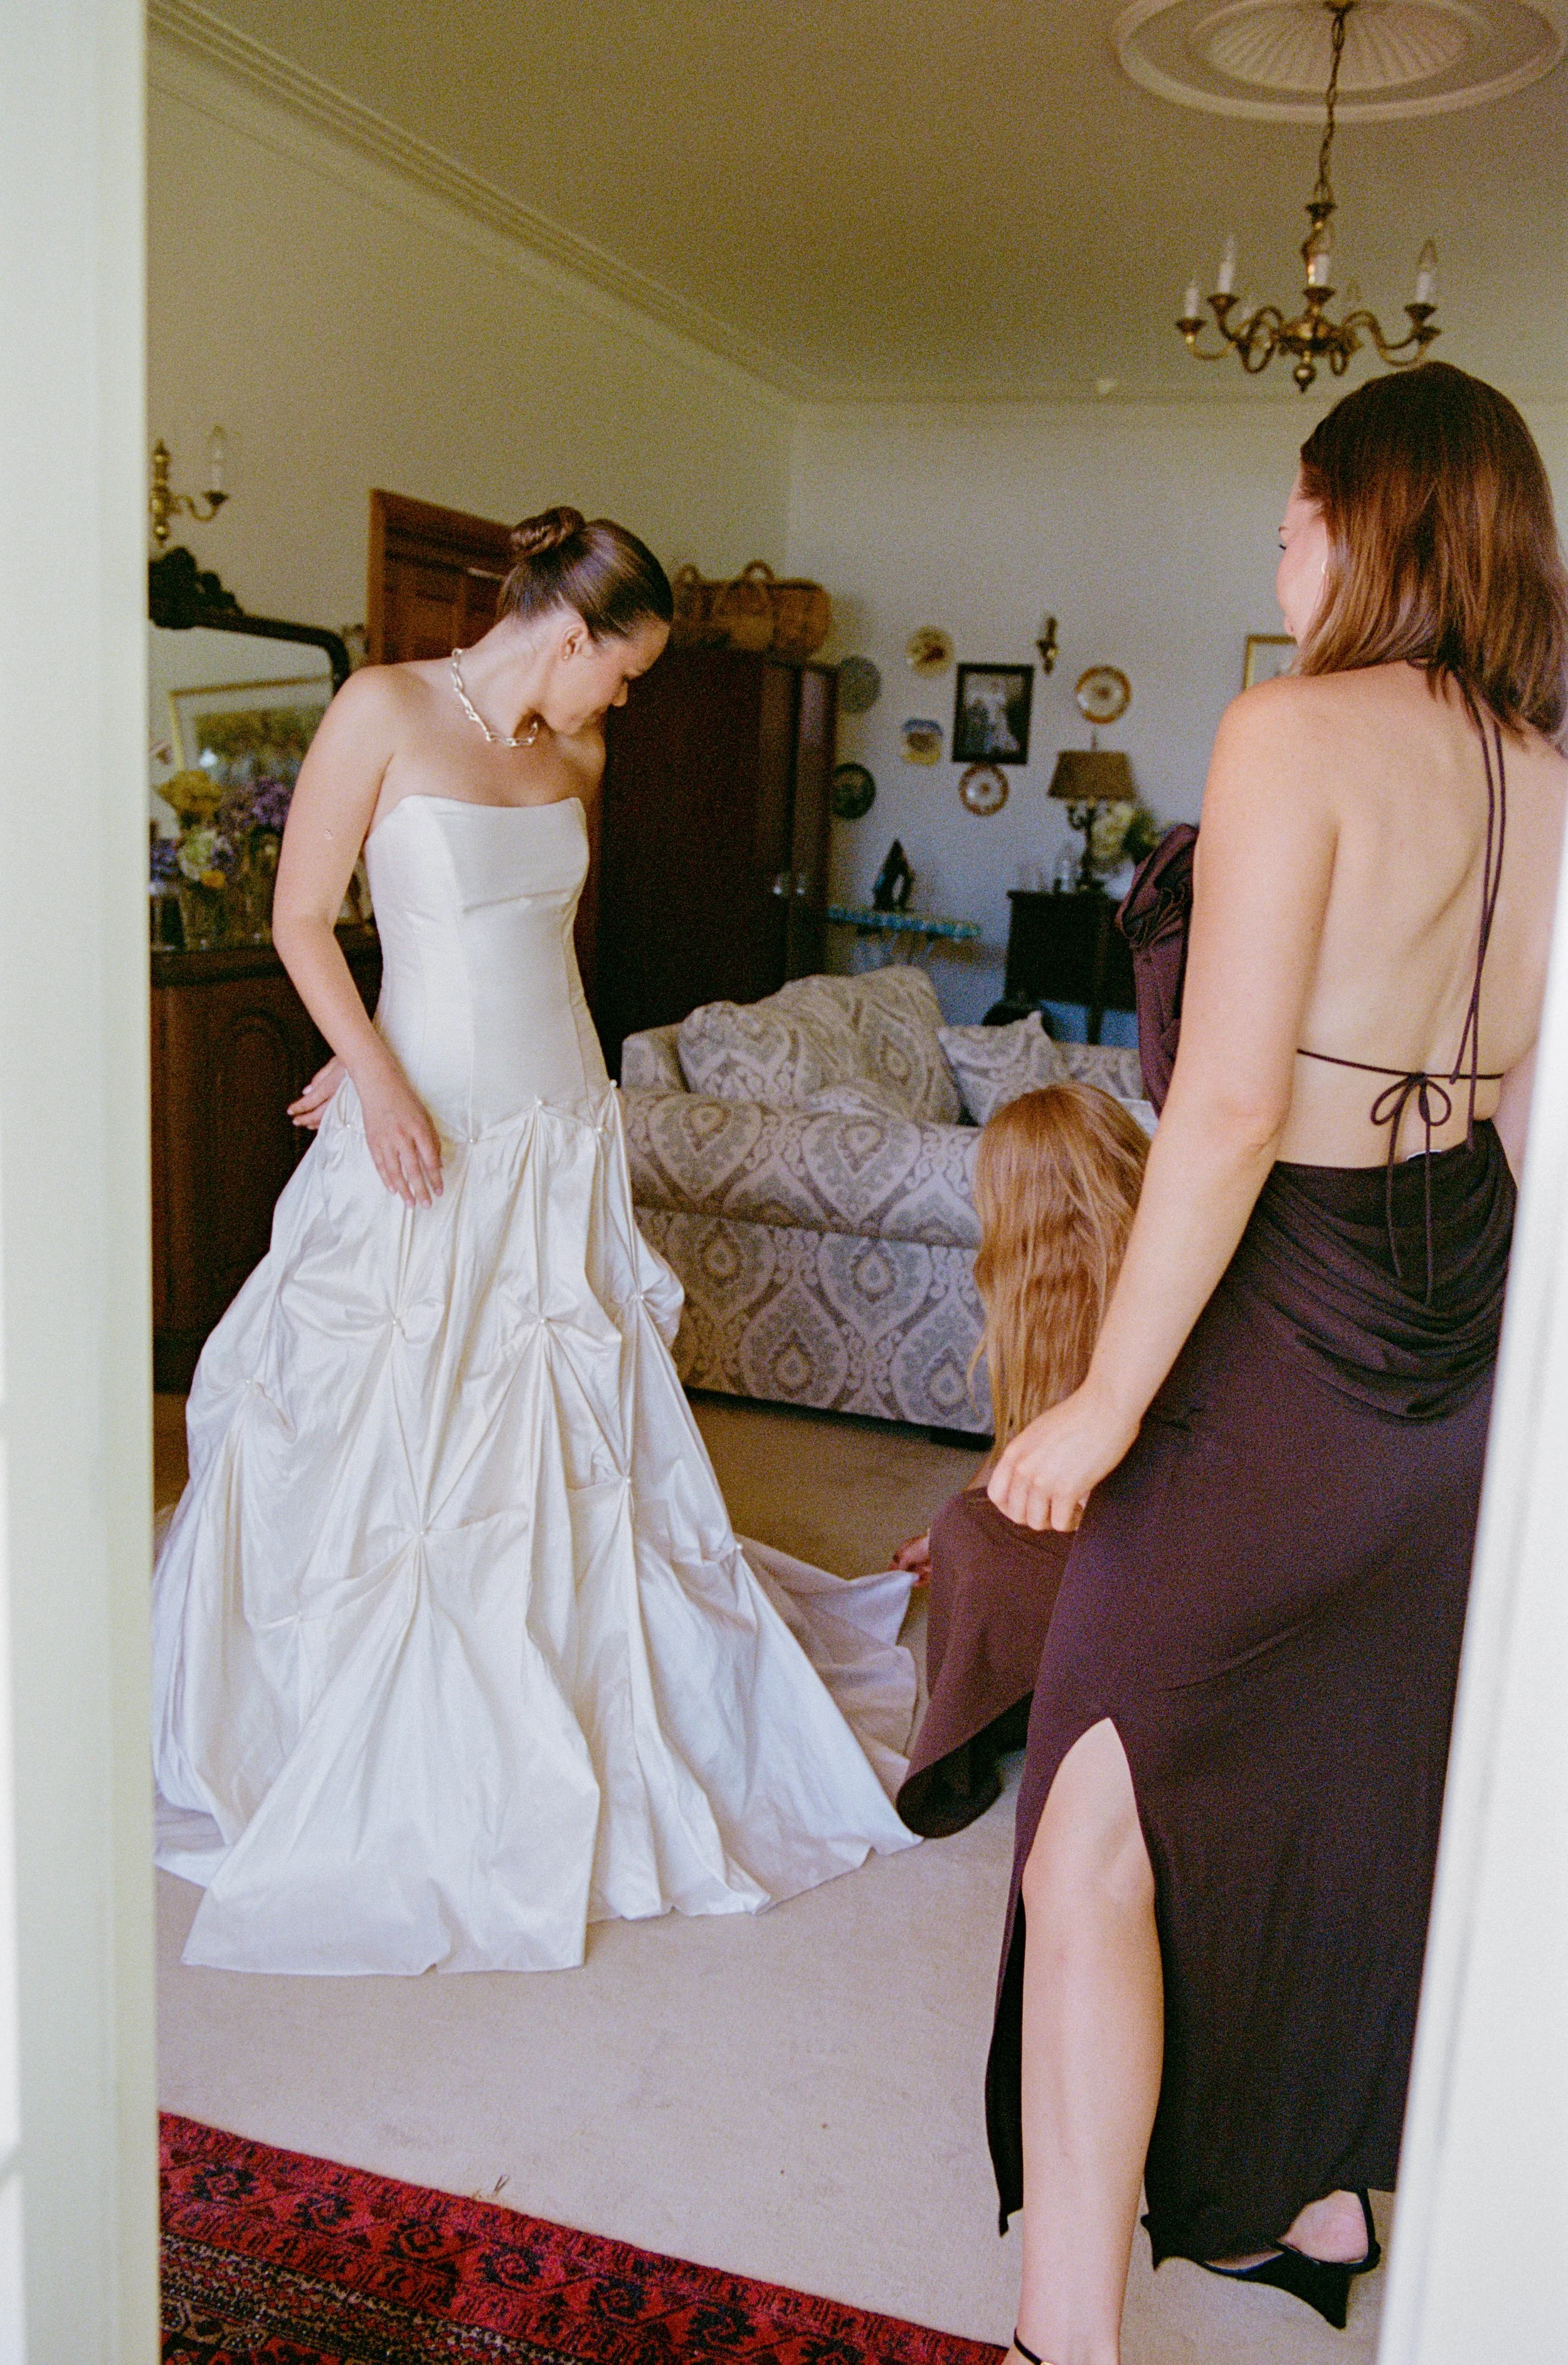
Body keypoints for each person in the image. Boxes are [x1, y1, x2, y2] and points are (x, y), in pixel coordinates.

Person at [982, 363, 1567, 2365]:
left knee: (1088, 1815)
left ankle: (1062, 2335)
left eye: (1297, 512)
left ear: (1378, 522)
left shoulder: (1290, 729)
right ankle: (1307, 2191)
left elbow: (1224, 1108)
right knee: (1333, 1777)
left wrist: (1100, 1403)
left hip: (1287, 1321)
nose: (1276, 545)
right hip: (1461, 1314)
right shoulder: (1539, 766)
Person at [151, 506, 918, 1977]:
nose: (619, 702)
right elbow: (307, 917)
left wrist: (437, 1057)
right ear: (570, 634)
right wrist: (373, 1069)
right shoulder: (380, 707)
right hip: (420, 1124)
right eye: (619, 671)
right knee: (379, 1408)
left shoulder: (576, 756)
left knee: (563, 1413)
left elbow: (528, 944)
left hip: (560, 1117)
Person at [892, 1084, 1147, 1837]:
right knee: (964, 1523)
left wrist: (965, 1530)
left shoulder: (1141, 1298)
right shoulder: (1062, 1300)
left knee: (974, 1536)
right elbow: (1026, 1439)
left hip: (1156, 1533)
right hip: (1118, 1513)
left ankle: (966, 1743)